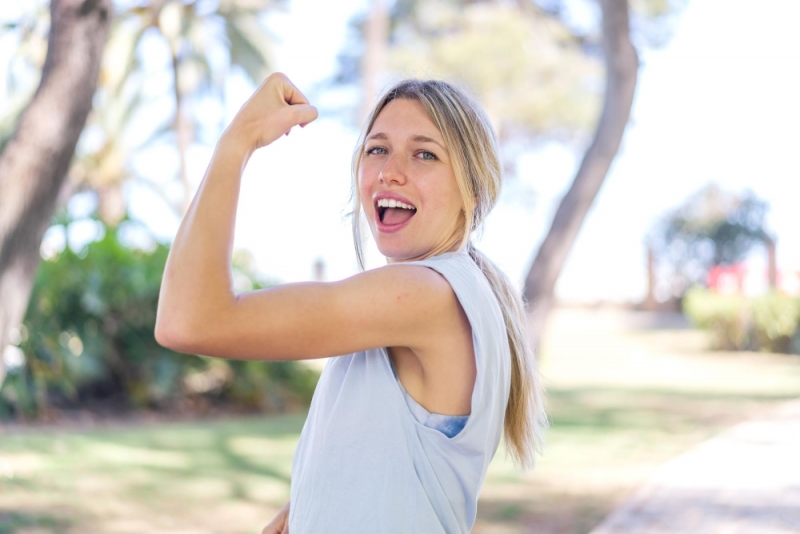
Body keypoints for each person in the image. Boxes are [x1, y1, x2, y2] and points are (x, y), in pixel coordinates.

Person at [155, 72, 547, 533]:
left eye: (425, 154)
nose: (389, 171)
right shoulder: (450, 292)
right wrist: (311, 504)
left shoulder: (425, 294)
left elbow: (188, 321)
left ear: (473, 191)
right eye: (377, 149)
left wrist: (236, 141)